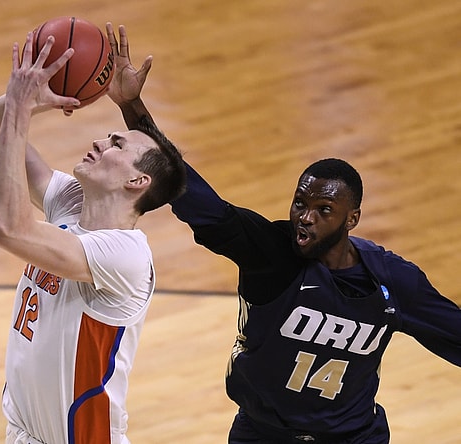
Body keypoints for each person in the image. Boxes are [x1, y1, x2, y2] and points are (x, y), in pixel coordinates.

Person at [105, 23, 461, 443]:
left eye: (324, 210)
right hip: (262, 432)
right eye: (300, 204)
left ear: (352, 219)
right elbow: (192, 195)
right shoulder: (270, 253)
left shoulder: (392, 281)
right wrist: (133, 107)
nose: (305, 217)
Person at [0, 32, 186, 444]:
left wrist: (20, 109)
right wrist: (25, 98)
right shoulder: (71, 202)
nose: (100, 141)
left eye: (116, 144)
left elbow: (5, 227)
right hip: (24, 434)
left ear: (138, 180)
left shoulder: (124, 256)